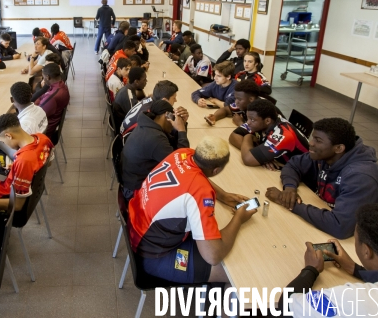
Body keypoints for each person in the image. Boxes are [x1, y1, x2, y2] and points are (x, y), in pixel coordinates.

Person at [128, 137, 256, 284]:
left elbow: (196, 176)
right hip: (153, 256)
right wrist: (238, 219)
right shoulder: (200, 192)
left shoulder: (182, 154)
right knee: (238, 274)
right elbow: (213, 255)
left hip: (137, 226)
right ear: (216, 170)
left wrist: (223, 196)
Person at [266, 118, 378, 239]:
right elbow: (293, 165)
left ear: (338, 148)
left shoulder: (361, 176)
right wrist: (290, 188)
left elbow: (340, 226)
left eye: (318, 140)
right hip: (349, 225)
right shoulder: (324, 155)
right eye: (313, 137)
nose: (311, 143)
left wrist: (287, 202)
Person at [282, 204, 378, 317]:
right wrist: (355, 269)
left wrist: (311, 269)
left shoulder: (361, 299)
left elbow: (286, 308)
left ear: (366, 252)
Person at [0, 114, 53, 211]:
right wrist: (17, 168)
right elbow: (47, 163)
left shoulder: (24, 161)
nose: (4, 144)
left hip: (0, 192)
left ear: (8, 136)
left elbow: (17, 205)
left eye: (3, 142)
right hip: (9, 178)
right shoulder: (42, 138)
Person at [121, 100, 189, 200]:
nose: (174, 123)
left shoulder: (147, 125)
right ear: (167, 116)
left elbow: (172, 145)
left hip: (132, 180)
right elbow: (181, 163)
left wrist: (182, 124)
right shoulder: (155, 138)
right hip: (135, 192)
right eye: (173, 119)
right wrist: (181, 130)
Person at [229, 99, 309, 170]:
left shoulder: (282, 134)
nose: (248, 122)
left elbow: (247, 159)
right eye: (248, 118)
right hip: (283, 166)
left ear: (267, 121)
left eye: (252, 120)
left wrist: (248, 137)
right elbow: (233, 136)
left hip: (304, 176)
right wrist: (257, 154)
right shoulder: (262, 122)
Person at [120, 80, 187, 135]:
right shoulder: (152, 114)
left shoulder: (148, 99)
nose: (176, 100)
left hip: (123, 136)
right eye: (174, 98)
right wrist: (182, 127)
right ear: (164, 100)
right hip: (127, 141)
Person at [35, 63, 70, 140]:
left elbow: (36, 113)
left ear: (48, 77)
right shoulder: (61, 85)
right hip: (50, 123)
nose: (43, 79)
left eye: (43, 77)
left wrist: (39, 98)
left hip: (44, 131)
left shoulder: (53, 96)